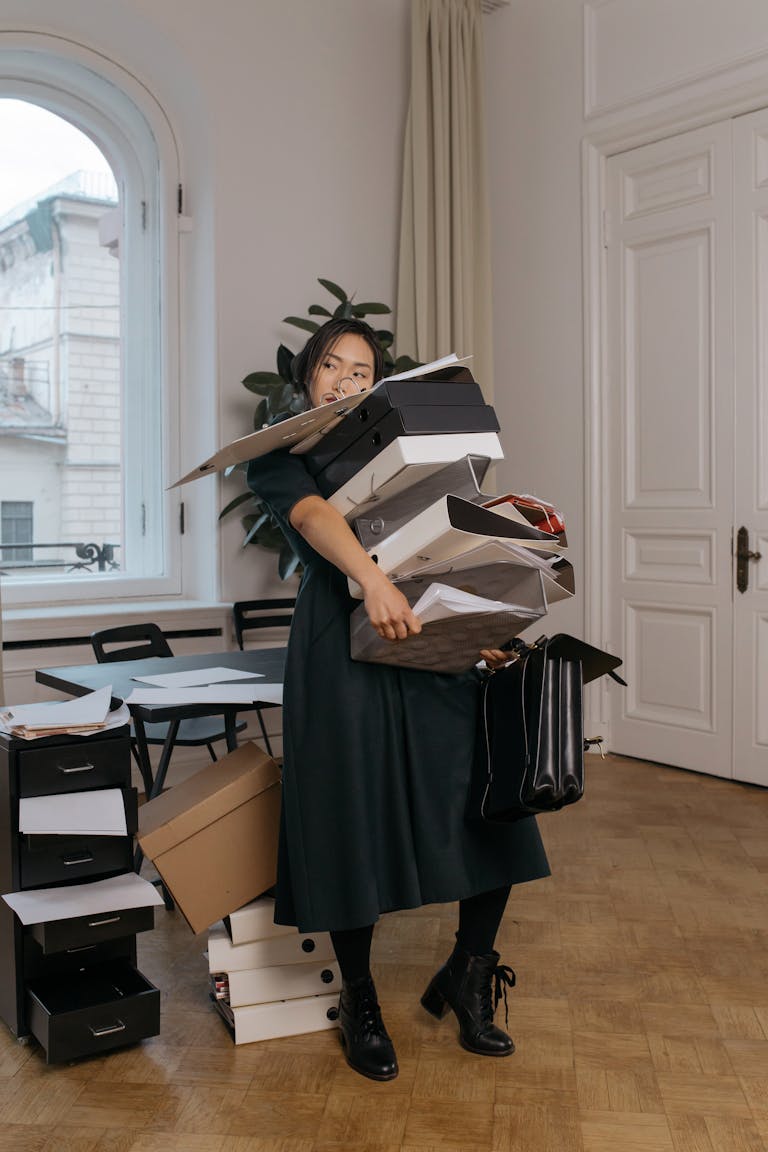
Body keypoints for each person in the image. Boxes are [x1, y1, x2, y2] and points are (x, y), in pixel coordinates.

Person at [246, 317, 550, 1082]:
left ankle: (469, 973)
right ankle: (360, 999)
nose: (345, 380)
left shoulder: (413, 450)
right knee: (349, 819)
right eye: (331, 366)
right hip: (339, 648)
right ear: (307, 379)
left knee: (490, 803)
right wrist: (370, 579)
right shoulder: (280, 457)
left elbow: (446, 540)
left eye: (361, 370)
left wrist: (476, 625)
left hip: (425, 632)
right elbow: (313, 516)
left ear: (378, 385)